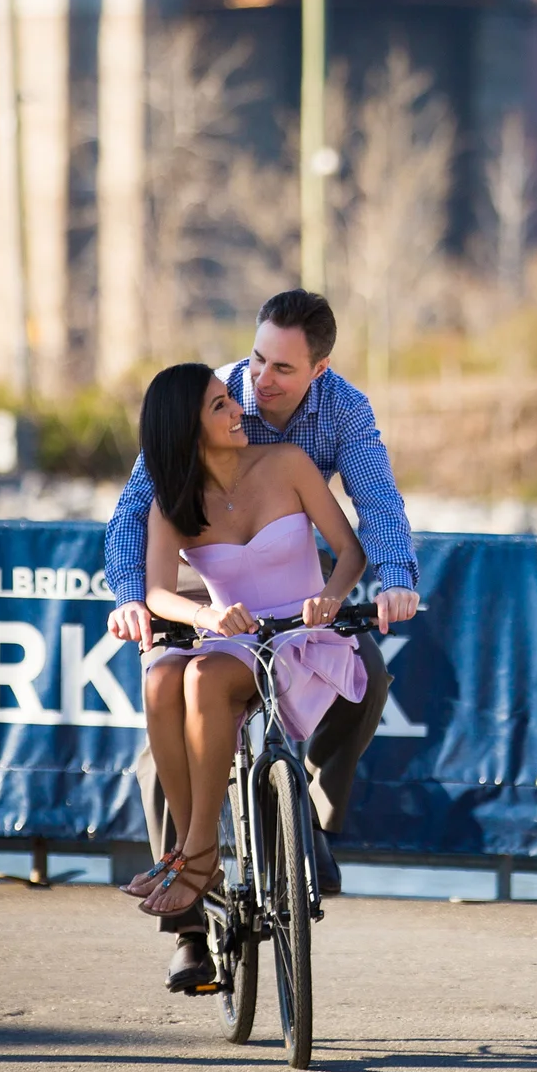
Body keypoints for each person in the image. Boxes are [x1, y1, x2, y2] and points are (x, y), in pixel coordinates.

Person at [104, 289, 419, 990]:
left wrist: (392, 577)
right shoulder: (204, 400)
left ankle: (311, 813)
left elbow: (378, 506)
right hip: (200, 587)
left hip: (296, 591)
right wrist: (132, 599)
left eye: (282, 367)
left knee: (368, 675)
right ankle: (188, 926)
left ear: (320, 368)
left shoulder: (342, 412)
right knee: (165, 717)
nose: (258, 382)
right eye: (255, 358)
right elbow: (133, 514)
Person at [122, 361, 373, 921]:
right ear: (186, 427)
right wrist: (206, 616)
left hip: (303, 637)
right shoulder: (172, 499)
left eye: (230, 400)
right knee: (162, 675)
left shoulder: (287, 463)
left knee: (203, 676)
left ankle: (199, 856)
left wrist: (330, 598)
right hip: (232, 637)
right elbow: (158, 592)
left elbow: (351, 551)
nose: (239, 409)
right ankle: (188, 850)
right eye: (220, 406)